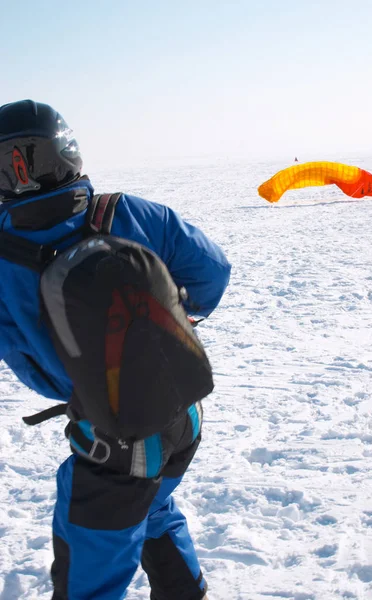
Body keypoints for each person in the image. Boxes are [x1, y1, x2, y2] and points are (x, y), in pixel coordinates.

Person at [0, 100, 231, 600]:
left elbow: (21, 351)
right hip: (181, 408)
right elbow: (213, 272)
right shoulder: (126, 212)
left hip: (113, 440)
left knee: (90, 573)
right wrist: (171, 321)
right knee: (152, 507)